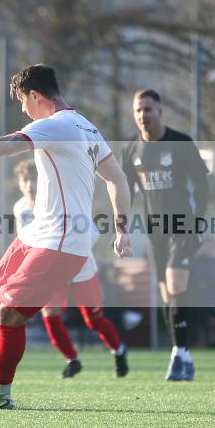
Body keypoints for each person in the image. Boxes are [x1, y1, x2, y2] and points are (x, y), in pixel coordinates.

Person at [0, 64, 132, 410]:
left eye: (22, 101)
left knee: (10, 314)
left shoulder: (55, 125)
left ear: (35, 95)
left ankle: (1, 393)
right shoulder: (86, 126)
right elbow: (117, 180)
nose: (22, 109)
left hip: (61, 240)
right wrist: (122, 228)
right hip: (40, 232)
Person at [121, 89, 209, 381]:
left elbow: (202, 184)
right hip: (154, 232)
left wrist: (198, 222)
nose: (143, 115)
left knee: (175, 281)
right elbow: (125, 193)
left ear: (160, 111)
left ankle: (178, 356)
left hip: (182, 226)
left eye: (148, 109)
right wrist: (121, 229)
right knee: (167, 295)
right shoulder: (131, 151)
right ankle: (183, 354)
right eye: (138, 111)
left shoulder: (181, 143)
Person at [13, 159, 129, 378]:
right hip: (49, 271)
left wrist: (68, 259)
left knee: (92, 319)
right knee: (50, 314)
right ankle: (72, 359)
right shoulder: (20, 209)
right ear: (19, 184)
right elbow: (27, 240)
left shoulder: (61, 201)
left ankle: (119, 350)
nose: (30, 184)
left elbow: (92, 234)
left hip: (80, 265)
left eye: (34, 178)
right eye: (25, 179)